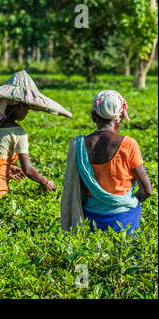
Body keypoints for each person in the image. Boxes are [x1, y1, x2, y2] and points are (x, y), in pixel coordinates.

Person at [0, 70, 73, 197]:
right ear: (19, 106)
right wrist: (46, 182)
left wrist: (8, 168)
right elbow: (28, 170)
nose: (27, 112)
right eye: (26, 107)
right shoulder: (19, 132)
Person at [60, 90, 152, 236]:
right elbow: (147, 191)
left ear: (93, 117)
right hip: (124, 218)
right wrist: (126, 202)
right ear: (120, 118)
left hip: (90, 217)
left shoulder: (80, 144)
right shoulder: (129, 144)